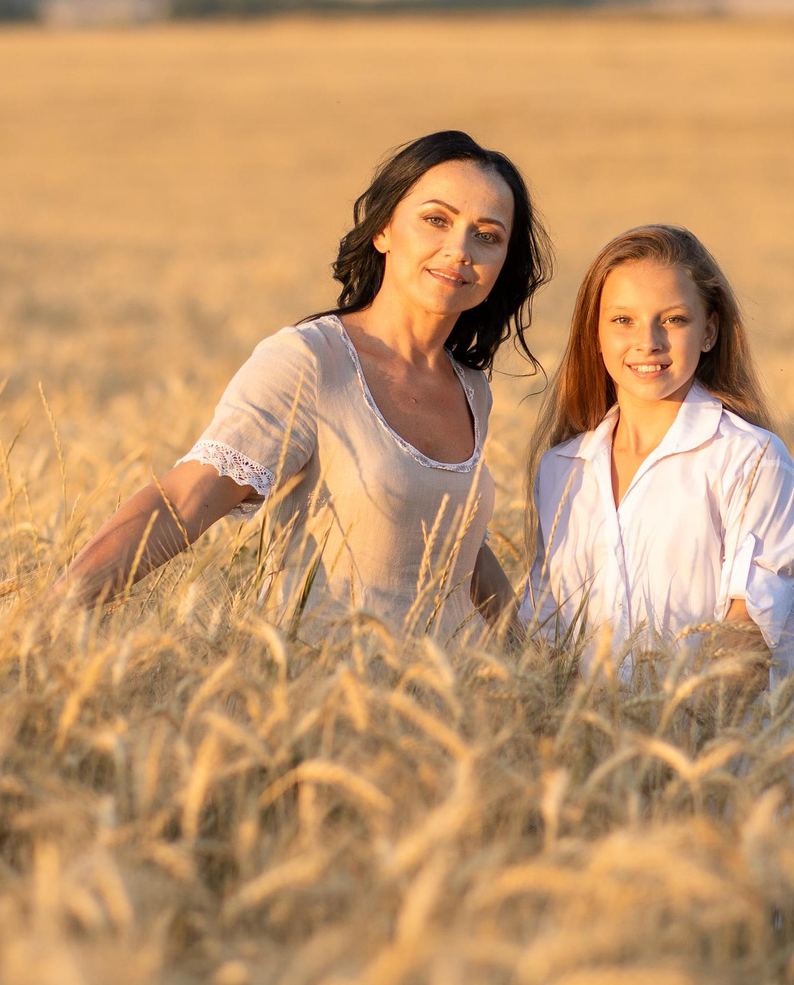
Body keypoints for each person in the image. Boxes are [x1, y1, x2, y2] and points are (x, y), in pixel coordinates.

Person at [53, 130, 548, 630]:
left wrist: (538, 668)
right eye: (436, 220)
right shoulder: (310, 362)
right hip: (328, 692)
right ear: (383, 231)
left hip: (457, 700)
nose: (459, 249)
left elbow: (457, 544)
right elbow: (182, 501)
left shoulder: (471, 388)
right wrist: (43, 615)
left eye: (487, 235)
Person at [523, 225, 794, 691]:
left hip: (711, 755)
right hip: (588, 756)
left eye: (674, 319)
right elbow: (545, 638)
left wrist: (662, 736)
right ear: (595, 334)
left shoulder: (750, 460)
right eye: (622, 320)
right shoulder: (561, 469)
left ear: (709, 331)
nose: (649, 342)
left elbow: (746, 641)